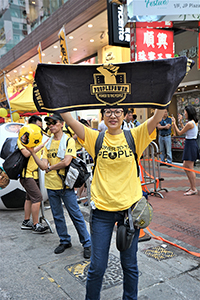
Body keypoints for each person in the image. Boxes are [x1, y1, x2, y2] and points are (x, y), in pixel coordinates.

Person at [60, 107, 165, 300]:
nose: (113, 115)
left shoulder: (136, 135)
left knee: (130, 265)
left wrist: (164, 91)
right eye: (108, 112)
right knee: (97, 267)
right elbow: (70, 120)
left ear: (125, 115)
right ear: (103, 116)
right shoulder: (96, 138)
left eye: (117, 111)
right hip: (102, 213)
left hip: (129, 213)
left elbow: (158, 115)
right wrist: (58, 101)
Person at [27, 113, 91, 258]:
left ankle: (87, 243)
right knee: (57, 216)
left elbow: (66, 162)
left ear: (62, 123)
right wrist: (33, 153)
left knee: (76, 215)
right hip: (51, 185)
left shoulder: (68, 141)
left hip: (65, 186)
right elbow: (43, 165)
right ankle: (64, 240)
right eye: (48, 123)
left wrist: (50, 167)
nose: (51, 125)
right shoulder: (48, 143)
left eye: (53, 122)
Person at [18, 115, 49, 233]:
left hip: (34, 174)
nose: (39, 129)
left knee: (29, 197)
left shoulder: (39, 138)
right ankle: (36, 224)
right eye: (37, 126)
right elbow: (26, 154)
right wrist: (40, 146)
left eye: (41, 127)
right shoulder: (23, 137)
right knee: (37, 197)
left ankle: (26, 221)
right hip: (27, 175)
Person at [172, 105, 199, 196]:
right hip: (190, 144)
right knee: (186, 166)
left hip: (190, 144)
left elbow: (180, 133)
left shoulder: (190, 123)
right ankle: (192, 187)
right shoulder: (193, 123)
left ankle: (194, 188)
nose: (184, 114)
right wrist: (179, 122)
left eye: (185, 112)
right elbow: (186, 130)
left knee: (190, 167)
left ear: (189, 113)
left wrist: (174, 123)